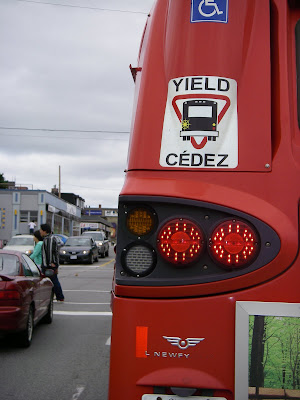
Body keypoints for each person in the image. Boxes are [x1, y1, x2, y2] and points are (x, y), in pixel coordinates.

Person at [40, 223, 65, 302]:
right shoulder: (49, 238)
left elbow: (50, 252)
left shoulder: (49, 239)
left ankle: (59, 296)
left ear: (45, 231)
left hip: (48, 264)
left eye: (41, 230)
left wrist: (51, 263)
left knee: (53, 280)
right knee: (52, 280)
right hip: (49, 264)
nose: (40, 232)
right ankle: (56, 295)